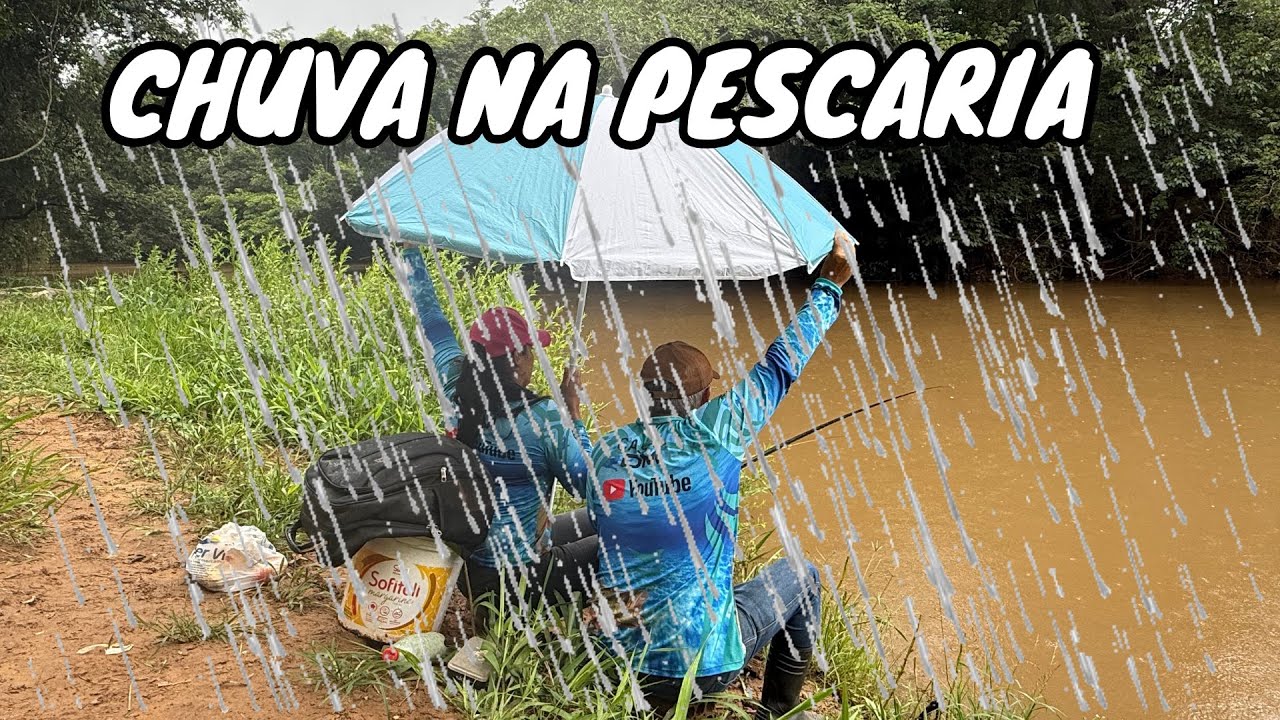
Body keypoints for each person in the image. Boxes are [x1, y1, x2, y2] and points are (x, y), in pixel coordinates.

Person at [583, 231, 855, 720]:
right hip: (702, 669)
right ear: (706, 398)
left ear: (643, 397)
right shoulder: (718, 433)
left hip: (616, 661)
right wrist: (829, 287)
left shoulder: (604, 452)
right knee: (804, 575)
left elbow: (587, 464)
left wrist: (571, 409)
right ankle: (774, 711)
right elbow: (780, 365)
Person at [401, 246, 597, 608]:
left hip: (471, 575)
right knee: (618, 530)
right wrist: (574, 412)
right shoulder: (542, 418)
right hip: (519, 582)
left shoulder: (456, 384)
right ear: (519, 358)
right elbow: (587, 484)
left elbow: (431, 321)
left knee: (587, 521)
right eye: (531, 349)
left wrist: (410, 253)